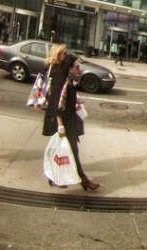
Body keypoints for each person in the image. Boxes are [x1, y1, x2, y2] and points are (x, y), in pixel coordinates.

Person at [42, 44, 100, 191]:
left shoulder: (67, 80)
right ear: (68, 68)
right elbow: (56, 105)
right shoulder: (61, 81)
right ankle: (83, 180)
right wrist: (61, 125)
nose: (78, 69)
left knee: (63, 150)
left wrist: (76, 100)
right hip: (64, 122)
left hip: (68, 121)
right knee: (71, 150)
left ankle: (53, 177)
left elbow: (64, 100)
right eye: (76, 67)